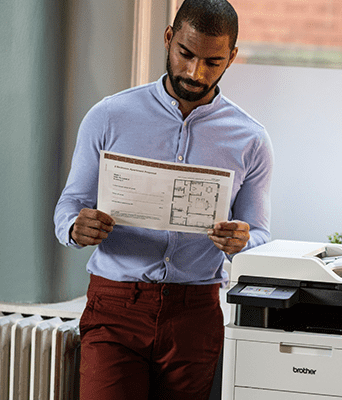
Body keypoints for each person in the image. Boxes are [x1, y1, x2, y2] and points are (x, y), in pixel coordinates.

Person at [53, 0, 273, 398]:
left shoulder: (251, 139)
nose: (194, 72)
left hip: (196, 311)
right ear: (169, 39)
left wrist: (242, 241)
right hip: (116, 304)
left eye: (212, 61)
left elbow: (259, 232)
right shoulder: (109, 116)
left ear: (232, 57)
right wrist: (75, 226)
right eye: (186, 54)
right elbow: (69, 206)